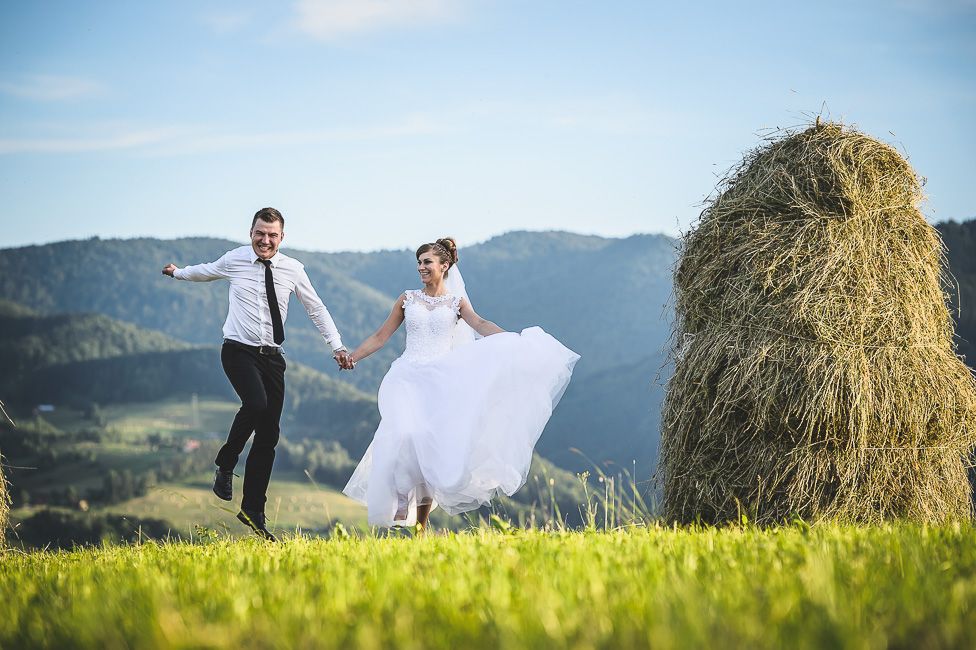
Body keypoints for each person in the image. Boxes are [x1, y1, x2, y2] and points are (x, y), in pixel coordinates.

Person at [342, 238, 579, 529]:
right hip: (405, 377)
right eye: (419, 262)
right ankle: (401, 495)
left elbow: (479, 324)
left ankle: (421, 525)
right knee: (403, 432)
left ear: (444, 266)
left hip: (440, 381)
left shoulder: (456, 303)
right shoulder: (407, 299)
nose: (421, 267)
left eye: (427, 262)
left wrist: (510, 341)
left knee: (429, 446)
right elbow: (381, 336)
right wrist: (353, 357)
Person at [162, 207, 352, 541]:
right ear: (250, 233)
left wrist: (336, 345)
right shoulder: (234, 259)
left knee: (268, 436)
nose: (265, 241)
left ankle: (253, 511)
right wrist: (178, 273)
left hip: (273, 358)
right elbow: (205, 271)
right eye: (259, 234)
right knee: (256, 404)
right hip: (238, 351)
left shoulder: (293, 269)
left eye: (272, 235)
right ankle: (225, 463)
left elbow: (316, 308)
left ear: (282, 237)